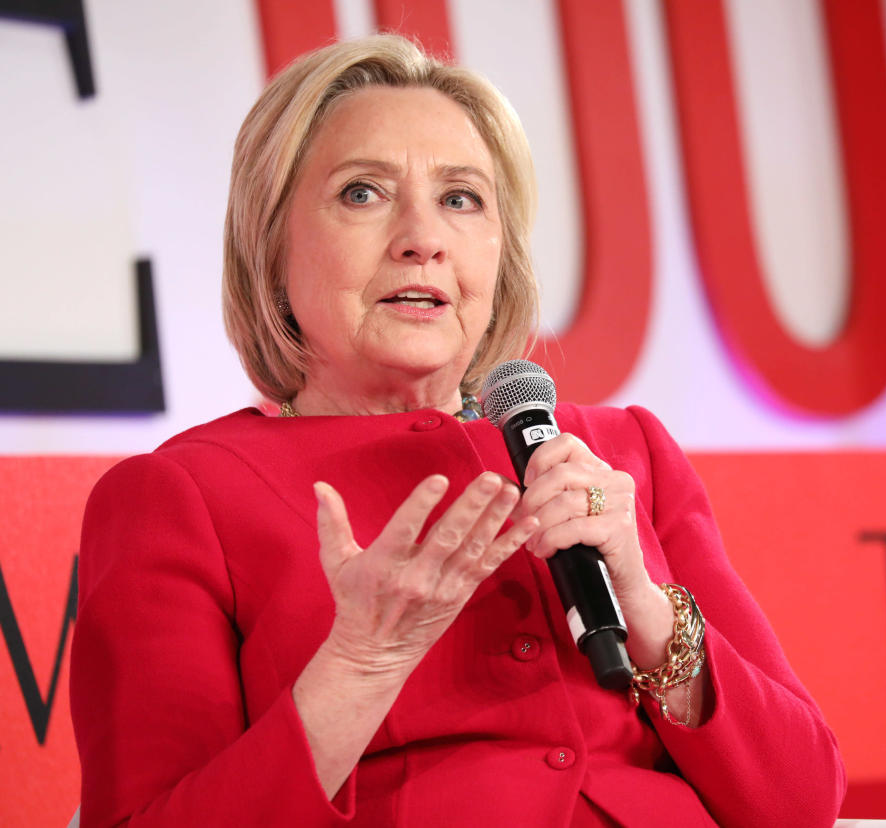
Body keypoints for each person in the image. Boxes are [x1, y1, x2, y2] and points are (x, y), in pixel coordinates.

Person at [70, 34, 844, 827]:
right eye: (362, 193)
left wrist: (647, 613)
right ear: (271, 248)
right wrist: (360, 666)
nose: (423, 238)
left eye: (461, 199)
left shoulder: (623, 452)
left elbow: (802, 802)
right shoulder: (182, 496)